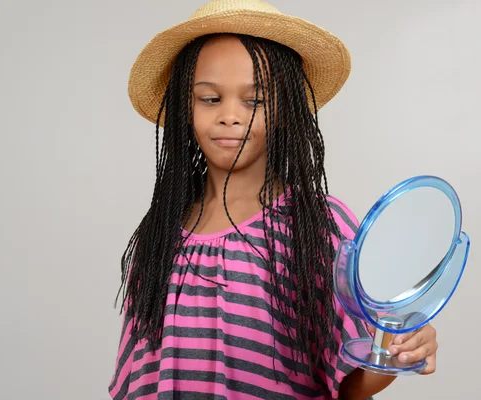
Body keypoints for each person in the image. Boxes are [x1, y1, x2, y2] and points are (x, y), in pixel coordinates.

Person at [109, 0, 438, 399]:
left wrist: (394, 357)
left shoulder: (318, 227)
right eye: (210, 99)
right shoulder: (159, 236)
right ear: (185, 107)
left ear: (284, 110)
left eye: (255, 101)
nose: (230, 116)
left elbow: (348, 384)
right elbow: (137, 380)